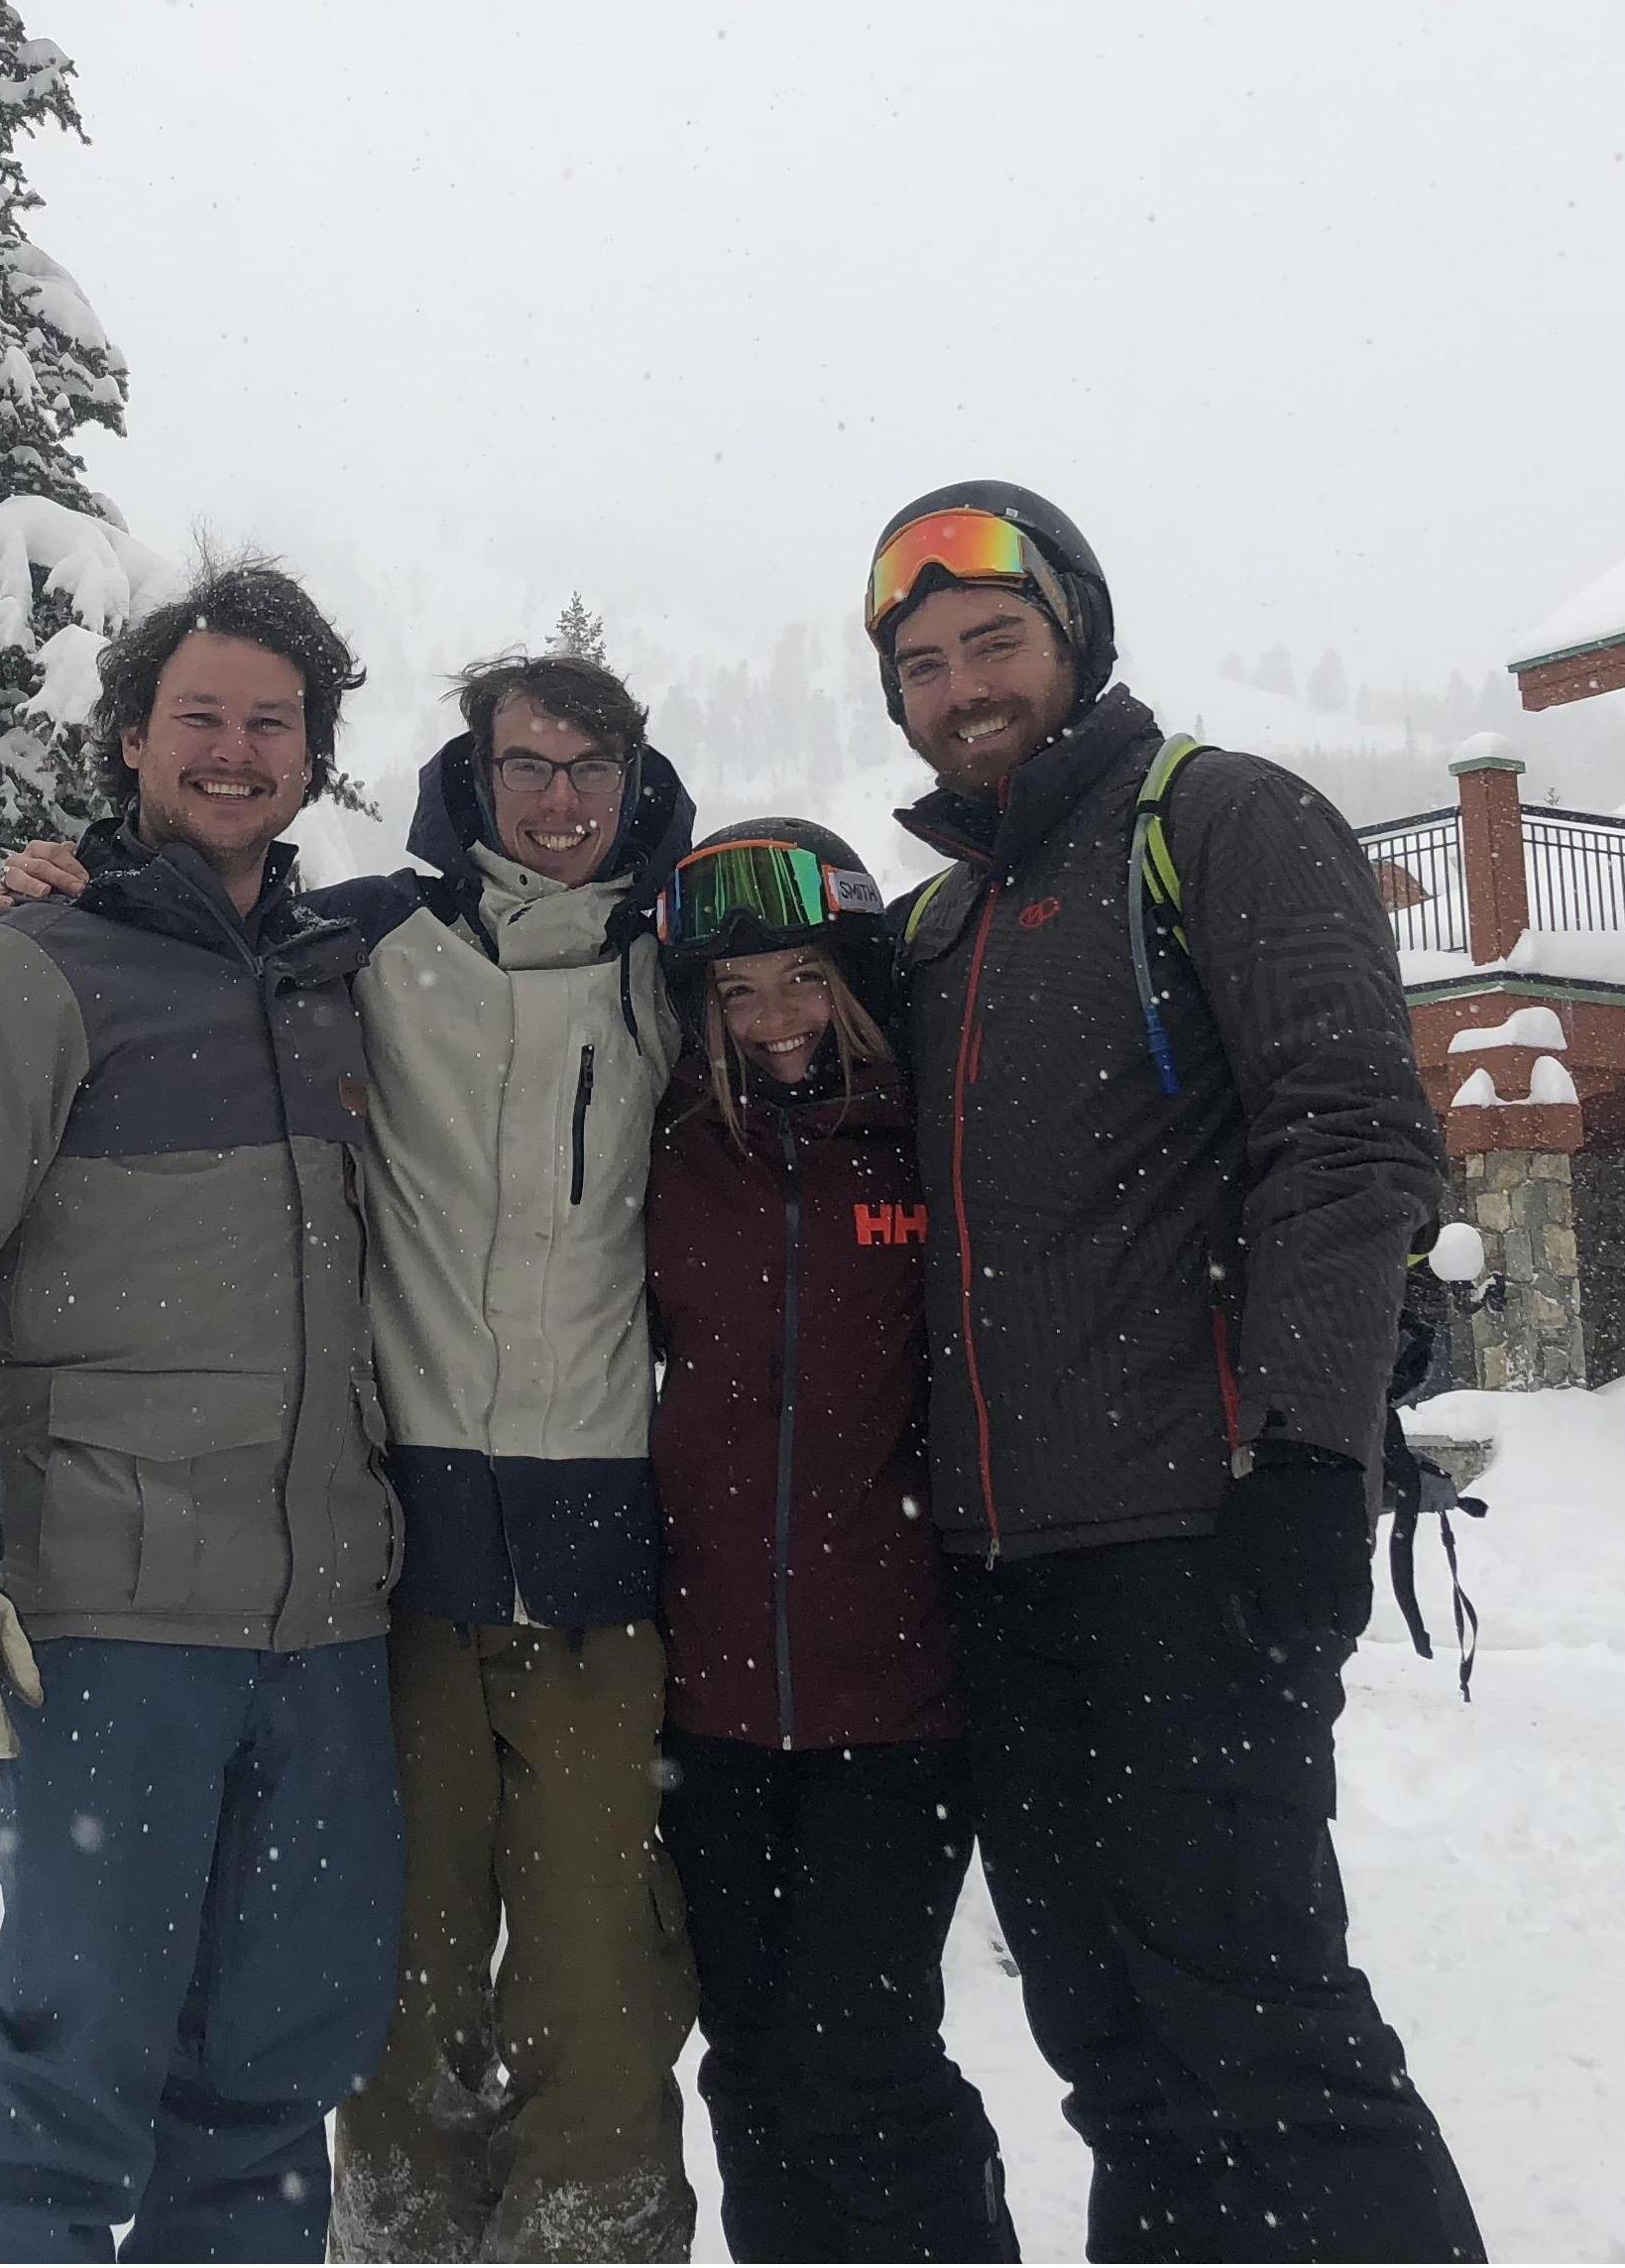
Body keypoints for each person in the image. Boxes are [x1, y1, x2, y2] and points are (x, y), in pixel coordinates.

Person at [0, 649, 702, 2262]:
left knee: (599, 1985)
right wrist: (80, 886)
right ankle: (397, 2238)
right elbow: (194, 953)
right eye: (527, 765)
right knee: (401, 1985)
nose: (560, 801)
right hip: (398, 1562)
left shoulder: (675, 963)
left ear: (636, 782)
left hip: (604, 1558)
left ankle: (594, 2234)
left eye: (592, 769)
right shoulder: (371, 941)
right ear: (474, 772)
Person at [862, 484, 1487, 2267]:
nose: (965, 687)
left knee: (1264, 2036)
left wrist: (1306, 1458)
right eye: (925, 664)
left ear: (1077, 638)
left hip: (1194, 1547)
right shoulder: (935, 931)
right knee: (1113, 2052)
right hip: (998, 1575)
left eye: (997, 642)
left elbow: (1353, 1141)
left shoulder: (1215, 823)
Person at [0, 561, 406, 2264]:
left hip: (322, 1625)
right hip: (108, 1617)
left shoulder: (346, 979)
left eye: (272, 724)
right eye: (202, 719)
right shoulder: (38, 967)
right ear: (133, 739)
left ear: (315, 753)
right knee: (70, 2079)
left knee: (268, 2079)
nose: (235, 752)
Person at [643, 819, 1017, 2267]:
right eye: (738, 992)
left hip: (900, 1697)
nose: (777, 1019)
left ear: (853, 976)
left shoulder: (936, 1135)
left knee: (868, 2048)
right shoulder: (675, 1155)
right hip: (712, 1704)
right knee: (749, 2055)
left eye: (803, 979)